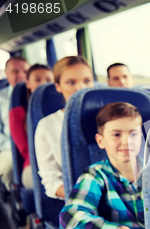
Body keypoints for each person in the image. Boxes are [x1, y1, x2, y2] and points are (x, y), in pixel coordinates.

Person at [35, 56, 93, 200]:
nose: (80, 88)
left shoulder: (109, 119)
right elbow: (51, 180)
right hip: (74, 199)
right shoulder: (47, 125)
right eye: (71, 82)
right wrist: (86, 197)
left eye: (87, 81)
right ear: (58, 86)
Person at [9, 64, 54, 190]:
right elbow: (25, 150)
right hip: (33, 165)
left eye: (48, 80)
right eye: (38, 80)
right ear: (28, 83)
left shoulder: (61, 107)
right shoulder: (18, 112)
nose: (43, 84)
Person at [0, 56, 29, 190]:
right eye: (15, 72)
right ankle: (13, 200)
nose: (21, 76)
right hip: (7, 147)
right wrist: (12, 146)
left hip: (34, 146)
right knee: (10, 166)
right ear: (7, 74)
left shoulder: (38, 96)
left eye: (25, 72)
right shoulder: (1, 98)